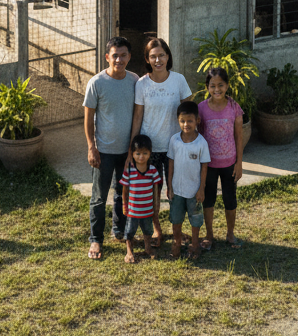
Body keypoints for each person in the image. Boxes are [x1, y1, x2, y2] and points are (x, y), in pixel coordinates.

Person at [129, 37, 192, 249]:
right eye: (153, 56)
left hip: (176, 146)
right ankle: (157, 228)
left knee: (177, 189)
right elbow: (138, 117)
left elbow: (189, 111)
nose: (158, 60)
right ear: (147, 59)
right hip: (150, 149)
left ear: (168, 56)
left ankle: (177, 229)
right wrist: (132, 148)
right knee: (153, 191)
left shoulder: (179, 80)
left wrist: (193, 141)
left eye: (162, 55)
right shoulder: (142, 84)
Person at [83, 36, 137, 260]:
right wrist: (91, 147)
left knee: (121, 195)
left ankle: (118, 231)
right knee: (99, 197)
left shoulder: (135, 81)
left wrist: (133, 151)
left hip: (126, 152)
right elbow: (88, 118)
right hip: (103, 151)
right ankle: (96, 239)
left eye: (123, 55)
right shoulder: (96, 83)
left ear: (129, 57)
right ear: (107, 57)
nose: (119, 59)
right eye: (115, 55)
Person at [198, 66, 244, 250]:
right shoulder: (201, 108)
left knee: (230, 199)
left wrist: (239, 163)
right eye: (212, 85)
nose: (217, 89)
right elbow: (199, 137)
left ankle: (230, 234)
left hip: (229, 164)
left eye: (221, 85)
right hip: (208, 165)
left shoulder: (234, 107)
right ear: (207, 87)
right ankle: (209, 235)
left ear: (227, 85)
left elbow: (239, 136)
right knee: (208, 199)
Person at [166, 100, 210, 261]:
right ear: (178, 121)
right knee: (176, 218)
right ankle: (177, 243)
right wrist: (169, 185)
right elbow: (170, 163)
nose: (186, 124)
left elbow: (204, 167)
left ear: (197, 120)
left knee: (195, 219)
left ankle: (195, 244)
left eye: (190, 120)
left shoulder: (201, 143)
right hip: (177, 190)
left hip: (194, 191)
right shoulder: (174, 141)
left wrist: (201, 189)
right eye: (182, 121)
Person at [120, 134, 163, 262]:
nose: (141, 156)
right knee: (129, 232)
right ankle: (129, 252)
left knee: (148, 231)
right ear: (132, 154)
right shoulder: (129, 170)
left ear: (150, 153)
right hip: (132, 211)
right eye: (138, 153)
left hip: (147, 210)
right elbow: (125, 189)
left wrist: (156, 206)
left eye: (145, 153)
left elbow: (156, 189)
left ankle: (148, 248)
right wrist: (124, 205)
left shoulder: (152, 170)